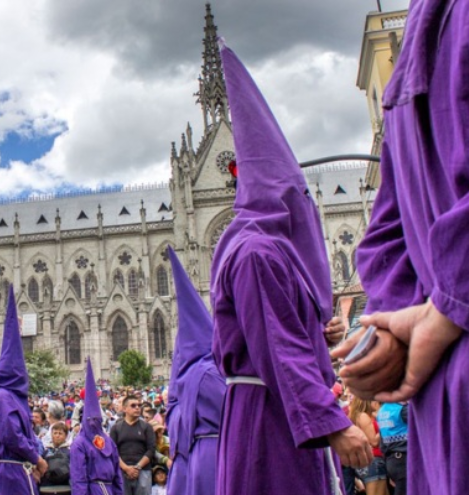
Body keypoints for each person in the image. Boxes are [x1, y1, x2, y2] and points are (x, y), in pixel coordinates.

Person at [210, 42, 372, 495]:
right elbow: (278, 348)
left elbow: (266, 329)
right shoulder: (258, 251)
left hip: (278, 409)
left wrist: (315, 332)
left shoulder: (255, 246)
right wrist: (333, 424)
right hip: (271, 418)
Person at [330, 1, 469, 493]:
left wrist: (444, 306)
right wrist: (388, 324)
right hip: (437, 376)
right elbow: (388, 230)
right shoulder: (408, 64)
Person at [165, 246, 225, 495]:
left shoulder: (183, 380)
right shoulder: (209, 374)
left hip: (188, 461)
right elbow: (230, 410)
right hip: (216, 456)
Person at [0, 287, 48, 495]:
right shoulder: (3, 396)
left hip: (18, 468)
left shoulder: (10, 396)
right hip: (12, 470)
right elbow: (12, 435)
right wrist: (36, 459)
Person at [70, 359, 123, 495]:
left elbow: (117, 473)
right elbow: (78, 478)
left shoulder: (108, 441)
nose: (93, 422)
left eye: (96, 419)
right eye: (90, 420)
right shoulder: (79, 443)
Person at [109, 395, 154, 495]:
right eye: (133, 405)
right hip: (122, 472)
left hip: (143, 471)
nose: (137, 408)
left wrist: (137, 467)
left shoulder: (146, 427)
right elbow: (113, 451)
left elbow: (151, 450)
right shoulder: (116, 428)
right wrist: (126, 468)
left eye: (139, 405)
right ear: (125, 409)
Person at [348, 399, 388, 495]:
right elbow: (373, 441)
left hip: (366, 461)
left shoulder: (355, 416)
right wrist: (384, 426)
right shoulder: (363, 416)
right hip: (374, 460)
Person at [376, 402, 408, 495]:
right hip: (404, 459)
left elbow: (382, 444)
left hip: (392, 460)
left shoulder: (382, 411)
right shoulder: (402, 410)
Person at [41, 422, 71, 487]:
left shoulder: (70, 452)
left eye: (60, 433)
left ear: (65, 436)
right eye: (55, 433)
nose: (57, 436)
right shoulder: (45, 452)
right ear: (51, 435)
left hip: (65, 486)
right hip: (47, 486)